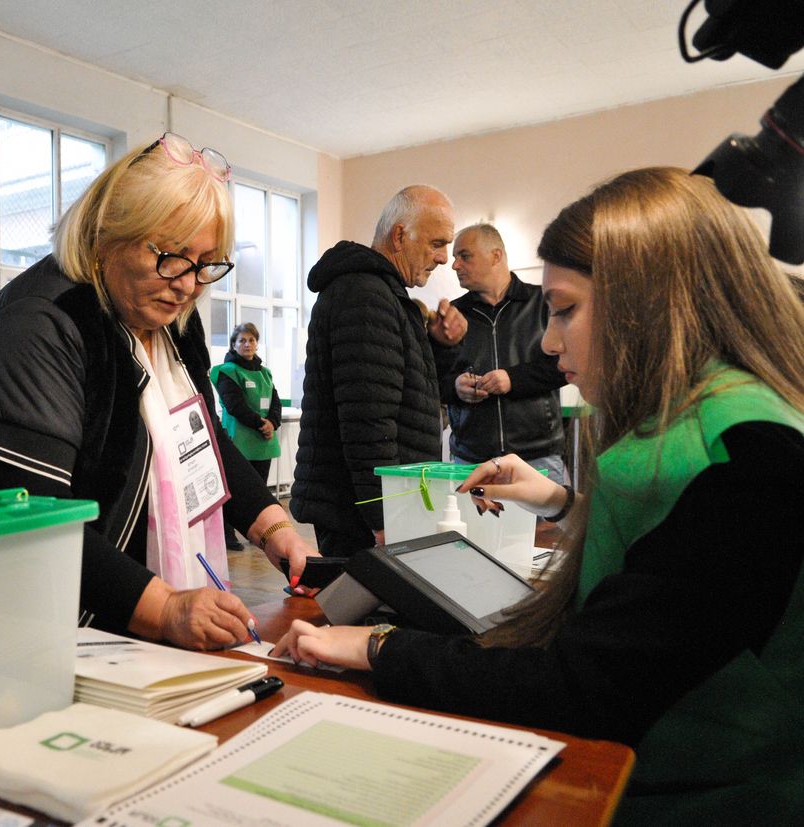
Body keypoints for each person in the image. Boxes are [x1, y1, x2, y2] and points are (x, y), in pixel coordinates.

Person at [272, 167, 804, 824]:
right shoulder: (730, 426)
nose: (551, 343)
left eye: (567, 310)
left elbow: (582, 683)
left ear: (652, 300)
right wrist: (557, 498)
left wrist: (379, 646)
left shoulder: (748, 456)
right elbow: (677, 558)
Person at [0, 132, 317, 650]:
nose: (187, 284)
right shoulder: (37, 325)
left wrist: (272, 526)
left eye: (205, 265)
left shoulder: (171, 317)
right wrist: (167, 608)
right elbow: (30, 515)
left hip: (74, 583)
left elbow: (198, 439)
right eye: (171, 256)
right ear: (107, 236)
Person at [291, 185, 464, 556]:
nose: (444, 258)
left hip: (375, 505)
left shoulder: (384, 294)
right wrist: (385, 518)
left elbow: (408, 394)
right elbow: (367, 420)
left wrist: (442, 346)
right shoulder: (365, 294)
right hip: (362, 514)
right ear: (400, 235)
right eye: (437, 243)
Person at [440, 223, 568, 483]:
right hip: (471, 458)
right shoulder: (451, 316)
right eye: (455, 258)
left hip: (537, 456)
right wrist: (455, 386)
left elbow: (565, 366)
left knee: (545, 526)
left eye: (464, 256)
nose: (454, 265)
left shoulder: (542, 303)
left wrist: (513, 379)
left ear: (496, 256)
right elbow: (431, 379)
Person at [210, 322, 281, 550]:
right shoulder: (226, 372)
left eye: (251, 340)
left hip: (263, 441)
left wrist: (273, 422)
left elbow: (275, 402)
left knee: (258, 488)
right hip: (238, 441)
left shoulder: (265, 373)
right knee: (233, 490)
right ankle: (227, 535)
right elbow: (234, 405)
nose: (247, 344)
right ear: (233, 344)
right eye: (242, 340)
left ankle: (258, 533)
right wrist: (262, 424)